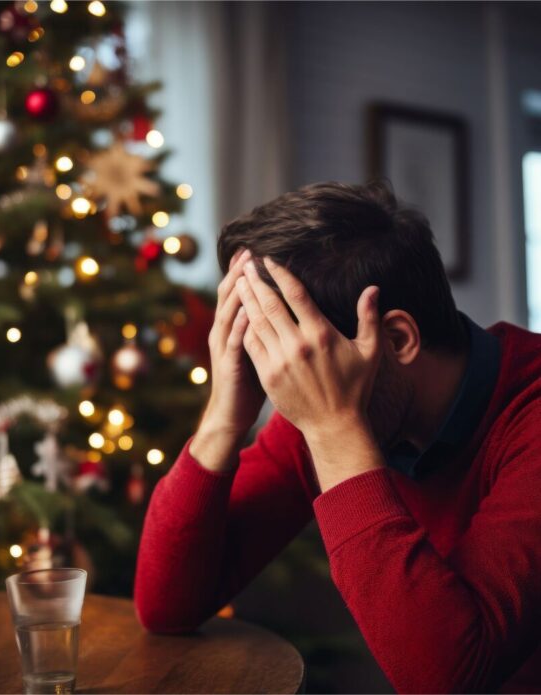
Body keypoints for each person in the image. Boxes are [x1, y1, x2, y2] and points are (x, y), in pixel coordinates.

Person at [133, 180, 541, 694]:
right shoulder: (335, 410)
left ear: (396, 339)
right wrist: (222, 418)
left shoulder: (525, 417)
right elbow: (166, 607)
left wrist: (334, 429)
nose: (283, 386)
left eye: (299, 353)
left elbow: (447, 680)